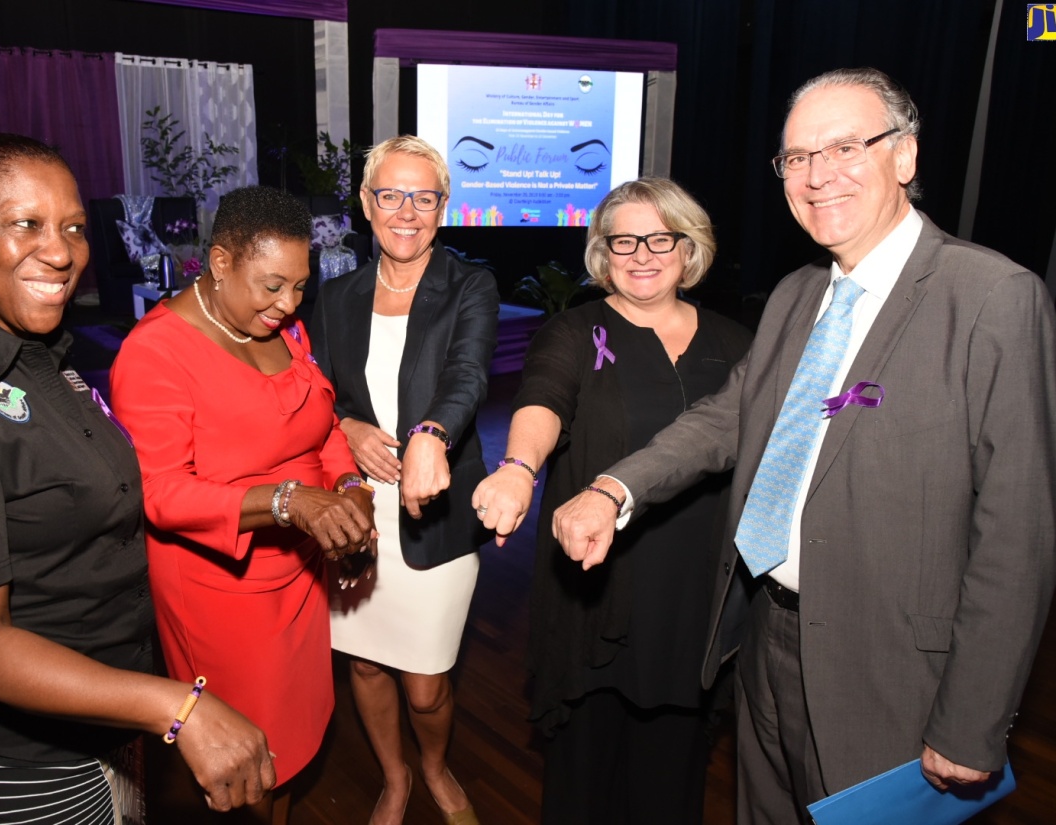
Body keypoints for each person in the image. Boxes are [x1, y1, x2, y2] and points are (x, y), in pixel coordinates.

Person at [552, 67, 1056, 824]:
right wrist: (611, 488)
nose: (818, 175)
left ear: (906, 157)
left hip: (892, 673)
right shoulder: (797, 293)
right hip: (764, 638)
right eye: (797, 157)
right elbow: (727, 418)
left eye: (846, 146)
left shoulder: (990, 298)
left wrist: (973, 716)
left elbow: (1017, 534)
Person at [0, 133, 275, 824]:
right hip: (6, 757)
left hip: (98, 714)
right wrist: (176, 705)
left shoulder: (40, 351)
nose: (62, 251)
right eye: (26, 223)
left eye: (75, 227)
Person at [472, 177, 752, 823]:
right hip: (597, 583)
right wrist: (518, 467)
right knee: (584, 774)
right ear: (603, 251)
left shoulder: (739, 343)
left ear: (689, 247)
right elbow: (542, 396)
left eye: (660, 237)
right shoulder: (574, 331)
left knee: (672, 773)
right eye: (623, 239)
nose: (642, 253)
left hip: (694, 589)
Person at [109, 185, 376, 823]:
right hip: (220, 587)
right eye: (272, 286)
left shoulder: (281, 325)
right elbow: (161, 492)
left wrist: (348, 492)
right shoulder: (156, 354)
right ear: (220, 263)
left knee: (290, 737)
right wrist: (288, 503)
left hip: (299, 572)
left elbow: (326, 427)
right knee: (242, 754)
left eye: (299, 287)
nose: (288, 305)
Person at [311, 135, 498, 825]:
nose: (407, 211)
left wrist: (430, 434)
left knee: (425, 684)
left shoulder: (470, 284)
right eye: (391, 194)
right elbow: (315, 391)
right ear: (366, 204)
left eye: (425, 197)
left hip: (436, 504)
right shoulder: (335, 295)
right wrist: (345, 428)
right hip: (355, 505)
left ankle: (434, 765)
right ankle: (395, 777)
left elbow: (469, 374)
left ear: (443, 208)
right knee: (363, 664)